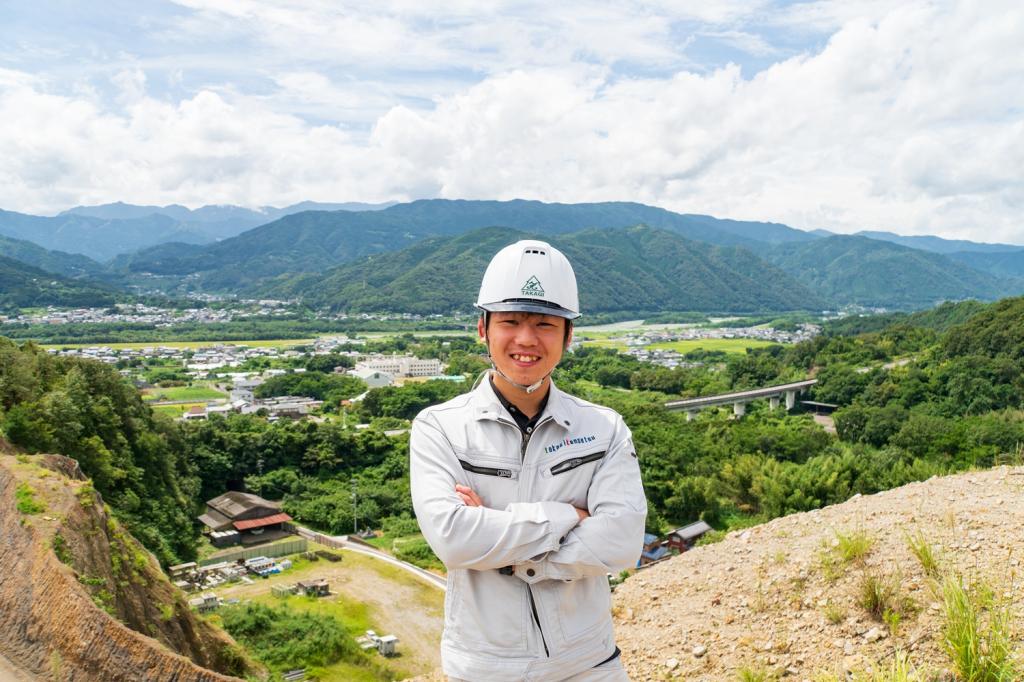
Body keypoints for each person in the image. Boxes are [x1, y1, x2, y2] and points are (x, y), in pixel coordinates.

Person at [410, 239, 647, 681]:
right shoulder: (440, 427)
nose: (526, 339)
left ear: (568, 335)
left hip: (589, 662)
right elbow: (454, 540)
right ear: (483, 328)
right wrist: (567, 516)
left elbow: (622, 542)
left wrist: (498, 547)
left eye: (544, 324)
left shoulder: (604, 429)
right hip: (484, 667)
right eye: (510, 321)